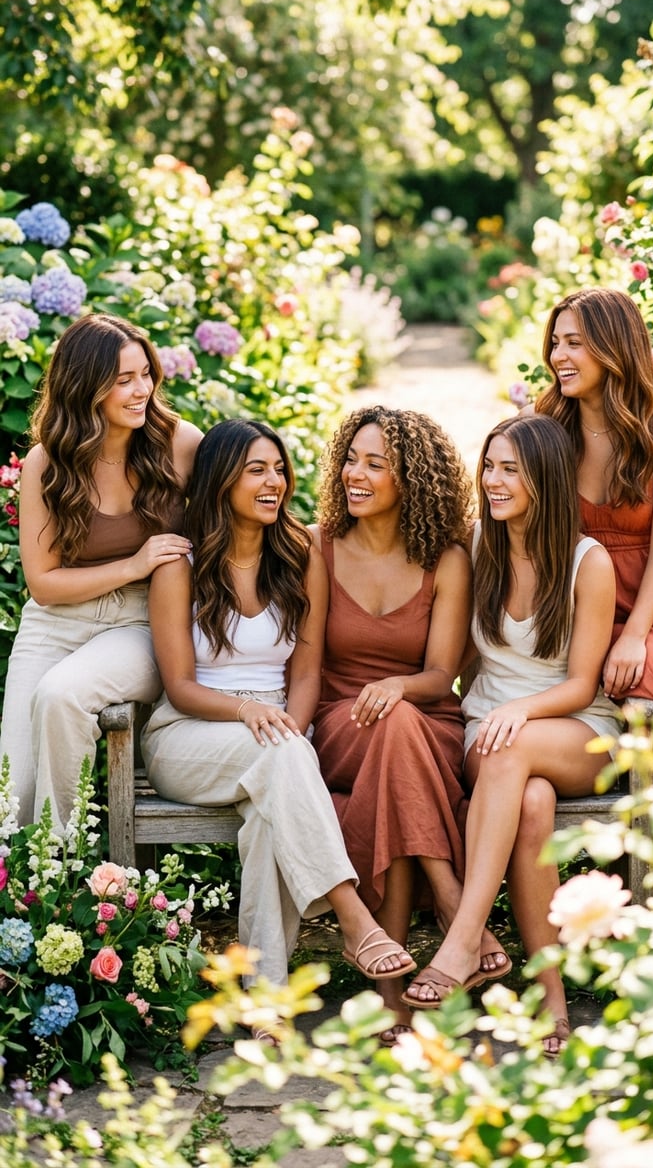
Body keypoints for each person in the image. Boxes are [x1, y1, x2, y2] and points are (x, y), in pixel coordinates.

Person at [140, 418, 416, 1027]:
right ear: (220, 482)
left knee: (271, 814)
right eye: (256, 470)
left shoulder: (299, 555)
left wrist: (289, 723)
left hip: (278, 734)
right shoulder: (179, 565)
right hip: (190, 735)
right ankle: (354, 919)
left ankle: (264, 1007)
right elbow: (181, 687)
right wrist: (249, 711)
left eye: (279, 469)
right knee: (282, 757)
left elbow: (308, 671)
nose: (275, 482)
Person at [402, 415, 622, 1054]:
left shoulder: (588, 562)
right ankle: (552, 1001)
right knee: (529, 803)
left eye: (510, 470)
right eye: (489, 467)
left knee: (509, 750)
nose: (493, 483)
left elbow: (582, 685)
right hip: (492, 734)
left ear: (545, 479)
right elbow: (452, 662)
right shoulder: (475, 546)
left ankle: (463, 939)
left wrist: (522, 714)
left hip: (574, 729)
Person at [310, 405, 511, 1044]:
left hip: (426, 723)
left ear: (413, 479)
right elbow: (309, 667)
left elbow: (440, 674)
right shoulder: (319, 546)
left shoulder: (445, 559)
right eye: (351, 459)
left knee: (398, 737)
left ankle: (391, 996)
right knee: (390, 736)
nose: (355, 474)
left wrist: (396, 686)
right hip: (340, 724)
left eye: (376, 463)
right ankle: (456, 909)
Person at [0, 312, 202, 830]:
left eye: (145, 374)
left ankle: (62, 868)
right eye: (123, 380)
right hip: (56, 624)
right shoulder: (47, 464)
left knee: (62, 695)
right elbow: (43, 585)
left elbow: (237, 518)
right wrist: (133, 562)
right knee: (10, 797)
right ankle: (28, 894)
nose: (142, 391)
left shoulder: (180, 445)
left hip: (140, 621)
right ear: (85, 388)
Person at [534, 286, 653, 768]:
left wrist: (634, 636)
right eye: (555, 342)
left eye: (574, 343)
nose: (557, 356)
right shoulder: (545, 429)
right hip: (588, 605)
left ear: (614, 347)